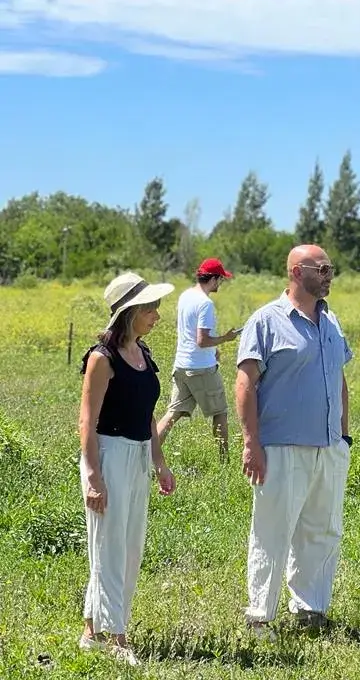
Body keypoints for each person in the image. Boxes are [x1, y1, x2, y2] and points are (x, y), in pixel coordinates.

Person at [234, 244, 353, 637]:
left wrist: (344, 437)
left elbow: (339, 378)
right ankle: (259, 616)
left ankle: (310, 608)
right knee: (273, 530)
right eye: (323, 268)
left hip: (329, 446)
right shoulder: (266, 321)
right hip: (281, 447)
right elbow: (246, 383)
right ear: (297, 272)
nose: (329, 274)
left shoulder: (330, 321)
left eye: (330, 268)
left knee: (323, 529)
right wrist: (251, 443)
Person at [78, 271, 177, 666]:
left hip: (136, 455)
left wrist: (159, 462)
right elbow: (87, 420)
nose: (157, 314)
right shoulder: (102, 358)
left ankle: (91, 630)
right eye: (151, 308)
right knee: (109, 545)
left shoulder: (144, 352)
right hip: (110, 454)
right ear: (130, 312)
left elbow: (147, 414)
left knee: (128, 546)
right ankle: (118, 638)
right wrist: (93, 475)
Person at [157, 258, 239, 461]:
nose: (220, 284)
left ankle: (150, 454)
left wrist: (214, 352)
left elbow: (190, 334)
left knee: (172, 414)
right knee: (220, 412)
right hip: (201, 369)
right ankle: (224, 461)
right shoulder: (206, 304)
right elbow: (202, 340)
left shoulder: (185, 296)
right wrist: (225, 339)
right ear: (214, 279)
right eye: (220, 279)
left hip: (182, 366)